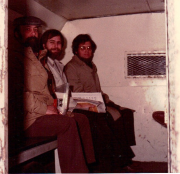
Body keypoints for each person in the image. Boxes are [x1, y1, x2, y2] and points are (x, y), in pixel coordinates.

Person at [9, 16, 90, 173]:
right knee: (67, 124)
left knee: (80, 118)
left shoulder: (35, 58)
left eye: (35, 30)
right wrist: (44, 109)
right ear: (17, 34)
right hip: (26, 120)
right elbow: (16, 94)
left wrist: (57, 108)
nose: (33, 34)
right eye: (28, 30)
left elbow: (44, 91)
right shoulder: (12, 58)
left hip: (38, 114)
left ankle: (87, 166)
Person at [64, 34, 137, 172]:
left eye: (89, 48)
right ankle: (118, 162)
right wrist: (99, 101)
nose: (86, 51)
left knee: (126, 113)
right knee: (108, 118)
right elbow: (76, 94)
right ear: (75, 50)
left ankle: (123, 158)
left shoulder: (91, 66)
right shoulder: (71, 67)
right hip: (82, 106)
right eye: (82, 48)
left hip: (97, 102)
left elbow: (98, 90)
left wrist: (111, 102)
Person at [39, 29, 95, 165]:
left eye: (59, 43)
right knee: (78, 120)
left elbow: (63, 94)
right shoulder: (41, 65)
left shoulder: (59, 65)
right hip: (46, 109)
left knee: (83, 118)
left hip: (61, 107)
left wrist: (80, 105)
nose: (56, 46)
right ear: (44, 45)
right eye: (52, 42)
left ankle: (88, 164)